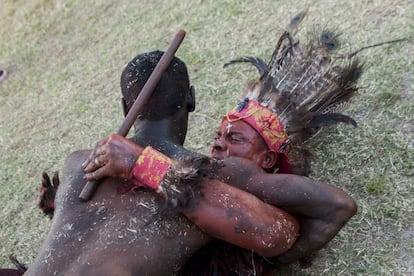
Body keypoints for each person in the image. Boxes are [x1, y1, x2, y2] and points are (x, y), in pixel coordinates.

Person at [79, 35, 358, 274]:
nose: (218, 146)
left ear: (268, 159)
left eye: (235, 138)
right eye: (217, 136)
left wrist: (268, 262)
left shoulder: (237, 176)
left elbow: (337, 206)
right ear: (190, 99)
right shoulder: (204, 173)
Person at [26, 51, 301, 276]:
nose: (219, 143)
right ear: (191, 99)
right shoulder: (213, 174)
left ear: (125, 107)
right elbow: (291, 227)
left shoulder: (77, 163)